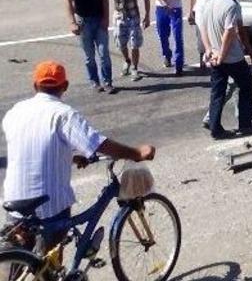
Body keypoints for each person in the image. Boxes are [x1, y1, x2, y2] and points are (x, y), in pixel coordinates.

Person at [2, 61, 155, 254]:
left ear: (35, 86)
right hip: (49, 206)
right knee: (47, 266)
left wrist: (70, 157)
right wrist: (136, 153)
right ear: (65, 86)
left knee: (16, 261)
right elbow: (98, 144)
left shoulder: (16, 111)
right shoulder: (63, 115)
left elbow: (32, 146)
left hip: (14, 201)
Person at [200, 0, 252, 139]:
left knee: (217, 92)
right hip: (232, 57)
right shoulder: (231, 5)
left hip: (215, 56)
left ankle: (215, 128)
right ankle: (245, 123)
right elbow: (229, 32)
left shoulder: (212, 1)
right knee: (247, 85)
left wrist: (209, 49)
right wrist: (222, 54)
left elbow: (203, 27)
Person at [62, 0, 115, 94]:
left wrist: (106, 18)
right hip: (83, 21)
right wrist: (72, 22)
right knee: (89, 56)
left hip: (99, 19)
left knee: (104, 53)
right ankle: (95, 81)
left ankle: (108, 82)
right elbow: (68, 2)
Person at [104, 0, 151, 81]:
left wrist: (147, 15)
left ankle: (135, 68)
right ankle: (127, 60)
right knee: (121, 42)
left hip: (133, 15)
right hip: (119, 15)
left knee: (134, 43)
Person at [151, 0, 186, 76]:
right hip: (161, 7)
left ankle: (179, 64)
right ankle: (167, 54)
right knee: (163, 34)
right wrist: (163, 2)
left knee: (177, 36)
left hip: (176, 7)